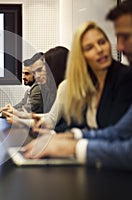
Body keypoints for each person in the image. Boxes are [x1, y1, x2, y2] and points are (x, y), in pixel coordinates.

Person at [21, 0, 132, 171]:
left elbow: (122, 144)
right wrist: (72, 136)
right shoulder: (90, 84)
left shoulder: (123, 79)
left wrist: (73, 145)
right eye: (89, 47)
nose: (121, 47)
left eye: (102, 42)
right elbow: (116, 132)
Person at [5, 46, 69, 127]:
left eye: (40, 70)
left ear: (55, 68)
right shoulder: (52, 88)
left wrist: (19, 121)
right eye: (34, 72)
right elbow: (50, 115)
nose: (37, 76)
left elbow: (51, 121)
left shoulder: (64, 86)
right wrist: (19, 114)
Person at [0, 53, 44, 117]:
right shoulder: (31, 89)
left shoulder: (37, 88)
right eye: (23, 73)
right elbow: (21, 105)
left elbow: (26, 110)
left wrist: (0, 114)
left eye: (27, 74)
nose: (23, 77)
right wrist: (1, 110)